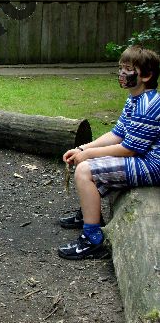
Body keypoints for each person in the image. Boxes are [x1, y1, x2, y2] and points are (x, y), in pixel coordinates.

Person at [58, 45, 160, 260]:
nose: (122, 74)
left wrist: (87, 156)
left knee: (85, 170)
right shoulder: (135, 99)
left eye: (129, 69)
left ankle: (93, 239)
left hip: (152, 165)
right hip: (141, 157)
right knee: (86, 160)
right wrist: (82, 148)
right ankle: (88, 214)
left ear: (147, 75)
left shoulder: (149, 105)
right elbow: (117, 134)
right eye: (121, 68)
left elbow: (130, 148)